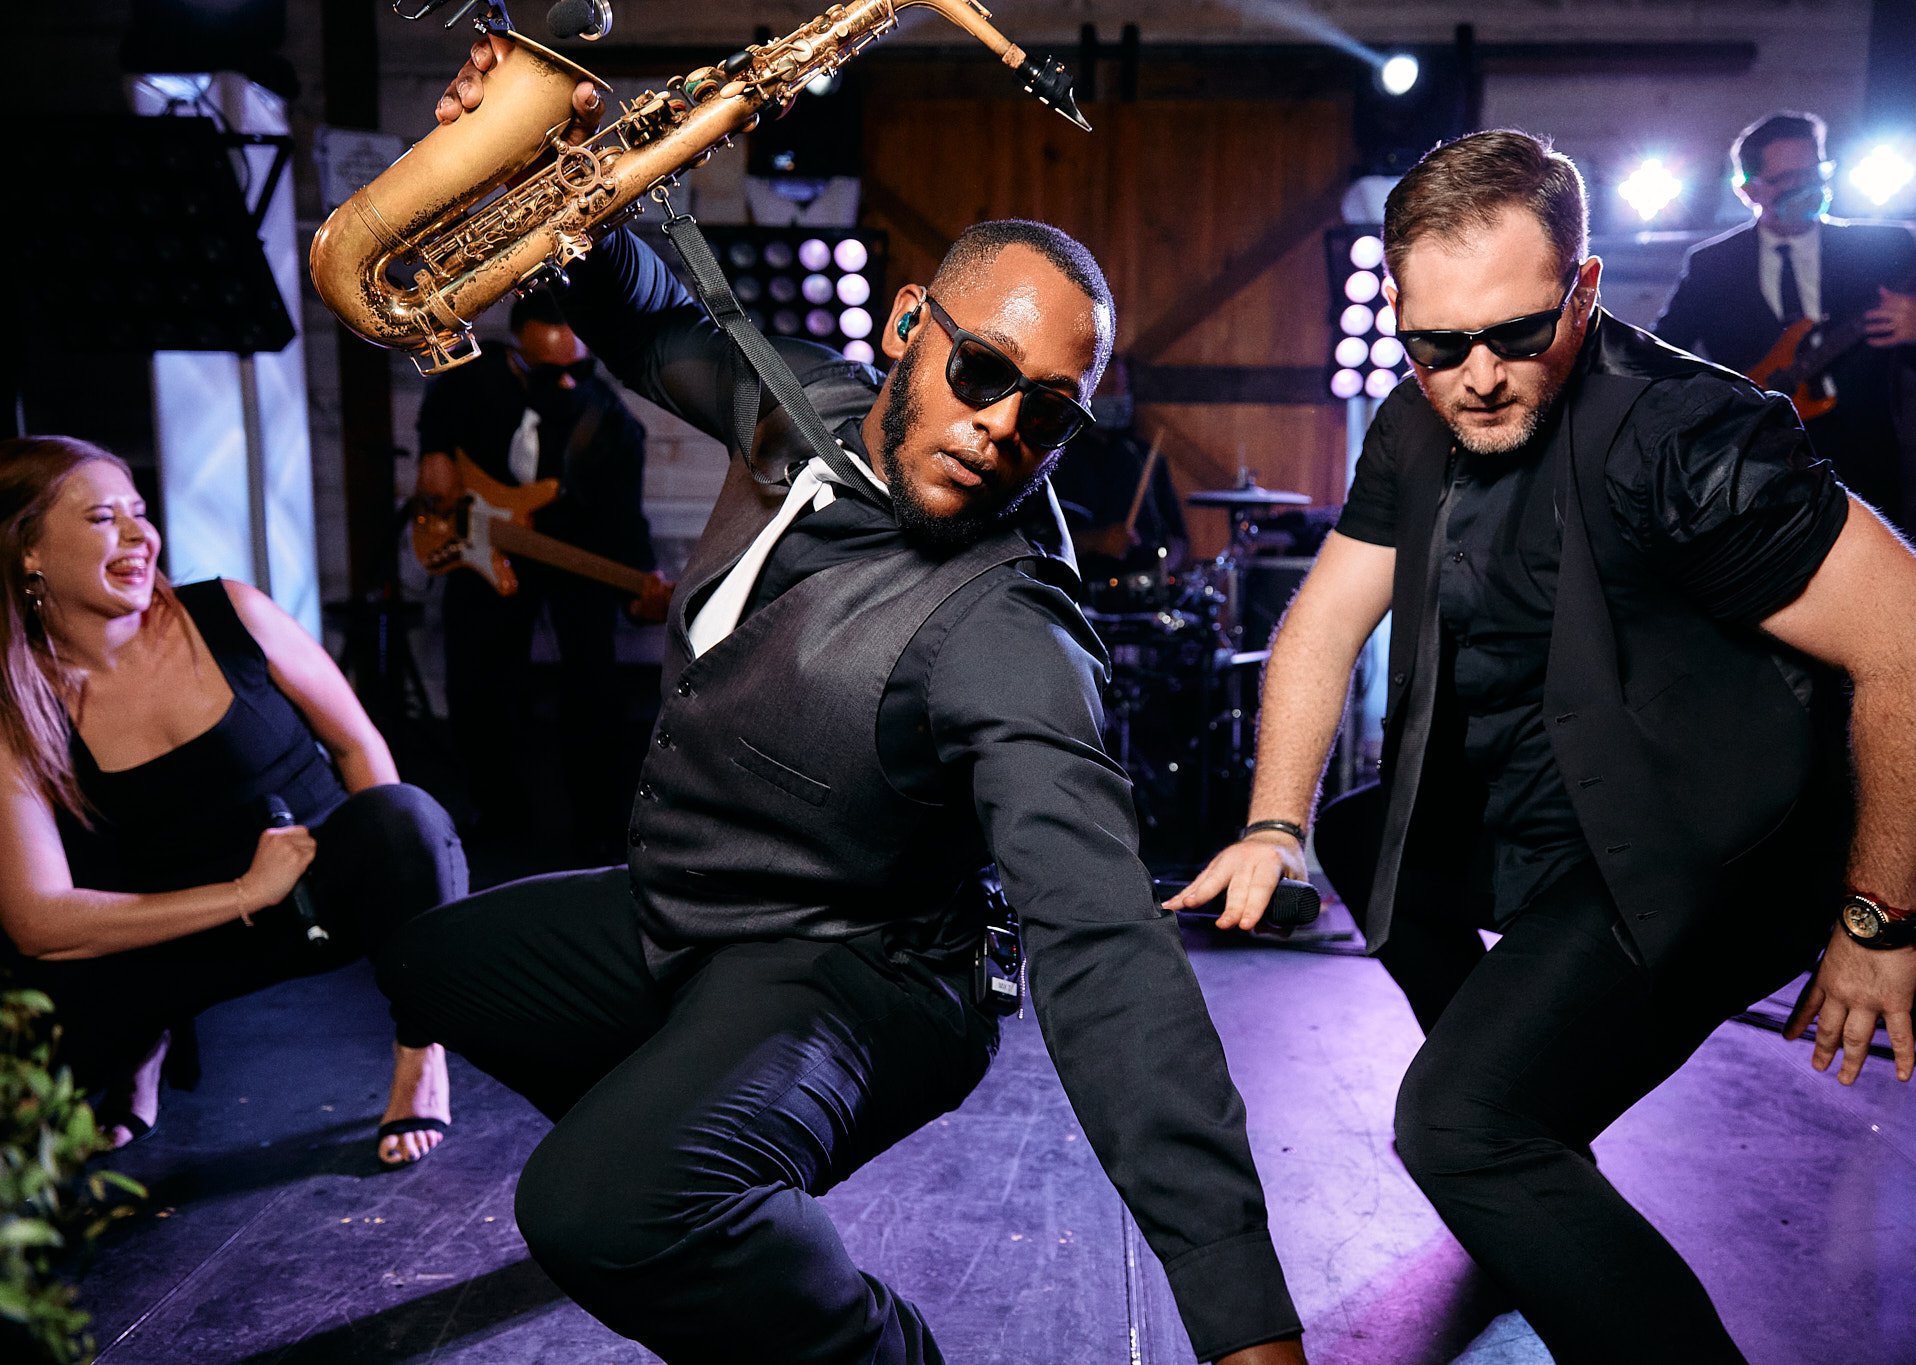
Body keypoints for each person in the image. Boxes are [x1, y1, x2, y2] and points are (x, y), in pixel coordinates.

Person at [378, 37, 1306, 1365]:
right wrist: (539, 163)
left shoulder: (1008, 629)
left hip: (865, 972)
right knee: (428, 965)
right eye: (982, 373)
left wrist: (1242, 1319)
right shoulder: (804, 405)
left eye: (1049, 416)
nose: (1002, 428)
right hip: (682, 919)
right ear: (905, 328)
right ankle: (690, 1193)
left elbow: (1107, 952)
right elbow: (648, 313)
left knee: (588, 1210)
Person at [1170, 130, 1916, 1362]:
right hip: (1558, 804)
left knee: (1453, 1127)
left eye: (1516, 332)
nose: (1479, 374)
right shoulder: (1412, 421)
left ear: (1584, 289)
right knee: (1363, 838)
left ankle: (1506, 1139)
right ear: (1399, 319)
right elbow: (1320, 627)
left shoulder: (1690, 439)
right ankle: (1528, 1137)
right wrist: (1270, 824)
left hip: (1707, 844)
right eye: (1438, 344)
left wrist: (1879, 926)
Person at [0, 436, 469, 1166]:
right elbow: (38, 919)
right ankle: (140, 1046)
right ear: (29, 551)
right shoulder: (18, 699)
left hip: (320, 888)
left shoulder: (232, 612)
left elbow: (357, 746)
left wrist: (405, 921)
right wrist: (245, 891)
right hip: (185, 926)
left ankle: (421, 1055)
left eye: (140, 512)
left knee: (405, 818)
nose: (138, 535)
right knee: (31, 1056)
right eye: (101, 518)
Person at [415, 290, 668, 862]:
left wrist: (641, 588)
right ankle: (498, 812)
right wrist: (433, 452)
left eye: (579, 368)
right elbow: (440, 403)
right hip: (480, 547)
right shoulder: (472, 379)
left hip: (572, 549)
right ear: (516, 355)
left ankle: (598, 829)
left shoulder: (614, 428)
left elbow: (623, 522)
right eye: (548, 372)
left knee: (593, 683)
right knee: (474, 679)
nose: (568, 385)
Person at [1654, 110, 1916, 543]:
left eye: (1814, 172)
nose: (1807, 187)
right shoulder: (1711, 265)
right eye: (1786, 178)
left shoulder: (1884, 249)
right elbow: (1663, 354)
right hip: (1751, 476)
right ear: (1749, 190)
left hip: (1863, 471)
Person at [1054, 354, 1190, 583]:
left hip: (1142, 596)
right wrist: (1097, 541)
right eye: (1108, 389)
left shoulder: (1144, 456)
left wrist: (1163, 564)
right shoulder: (1058, 457)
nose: (1117, 398)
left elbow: (1178, 539)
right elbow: (1040, 541)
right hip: (1083, 594)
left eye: (1122, 390)